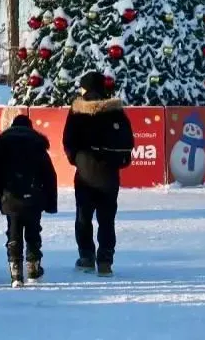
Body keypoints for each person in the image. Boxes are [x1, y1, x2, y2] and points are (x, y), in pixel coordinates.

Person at [63, 71, 134, 277]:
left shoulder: (77, 111)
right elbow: (128, 141)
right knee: (107, 219)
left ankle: (86, 257)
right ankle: (105, 260)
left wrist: (77, 159)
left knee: (83, 216)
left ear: (86, 88)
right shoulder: (115, 111)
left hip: (85, 174)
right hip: (109, 175)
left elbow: (68, 141)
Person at [0, 114, 58, 286]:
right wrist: (50, 203)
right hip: (34, 197)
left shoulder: (2, 145)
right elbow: (50, 176)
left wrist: (1, 200)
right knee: (33, 232)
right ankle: (33, 269)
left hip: (10, 197)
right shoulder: (37, 145)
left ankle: (15, 272)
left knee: (13, 232)